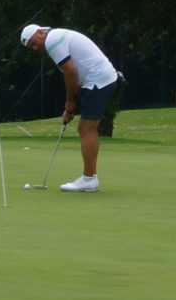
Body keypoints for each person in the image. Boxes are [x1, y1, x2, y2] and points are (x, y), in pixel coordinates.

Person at [20, 24, 121, 192]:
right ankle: (90, 178)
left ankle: (89, 180)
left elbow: (70, 72)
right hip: (99, 78)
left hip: (98, 79)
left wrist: (70, 103)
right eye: (32, 47)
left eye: (34, 43)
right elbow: (75, 72)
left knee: (87, 128)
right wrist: (71, 107)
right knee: (85, 128)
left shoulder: (52, 41)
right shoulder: (57, 36)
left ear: (39, 32)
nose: (35, 48)